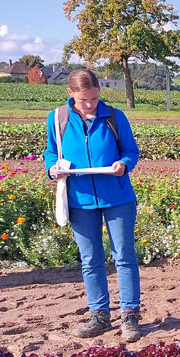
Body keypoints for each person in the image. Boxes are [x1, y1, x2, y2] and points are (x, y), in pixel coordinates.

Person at [44, 68, 143, 341]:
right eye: (83, 99)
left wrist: (124, 164)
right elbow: (52, 152)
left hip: (118, 197)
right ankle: (99, 315)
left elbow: (131, 151)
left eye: (94, 99)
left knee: (124, 256)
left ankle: (130, 316)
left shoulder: (114, 116)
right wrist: (52, 168)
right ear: (70, 94)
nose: (89, 105)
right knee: (90, 260)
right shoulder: (57, 119)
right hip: (79, 199)